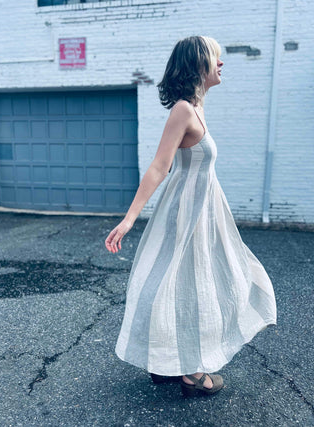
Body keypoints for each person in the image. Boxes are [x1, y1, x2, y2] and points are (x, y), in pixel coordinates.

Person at [105, 35, 277, 397]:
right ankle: (190, 371)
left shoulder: (198, 106)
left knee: (193, 282)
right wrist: (129, 219)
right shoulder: (183, 109)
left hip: (203, 210)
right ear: (199, 64)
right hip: (185, 213)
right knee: (191, 284)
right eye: (216, 57)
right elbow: (158, 167)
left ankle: (168, 362)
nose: (222, 63)